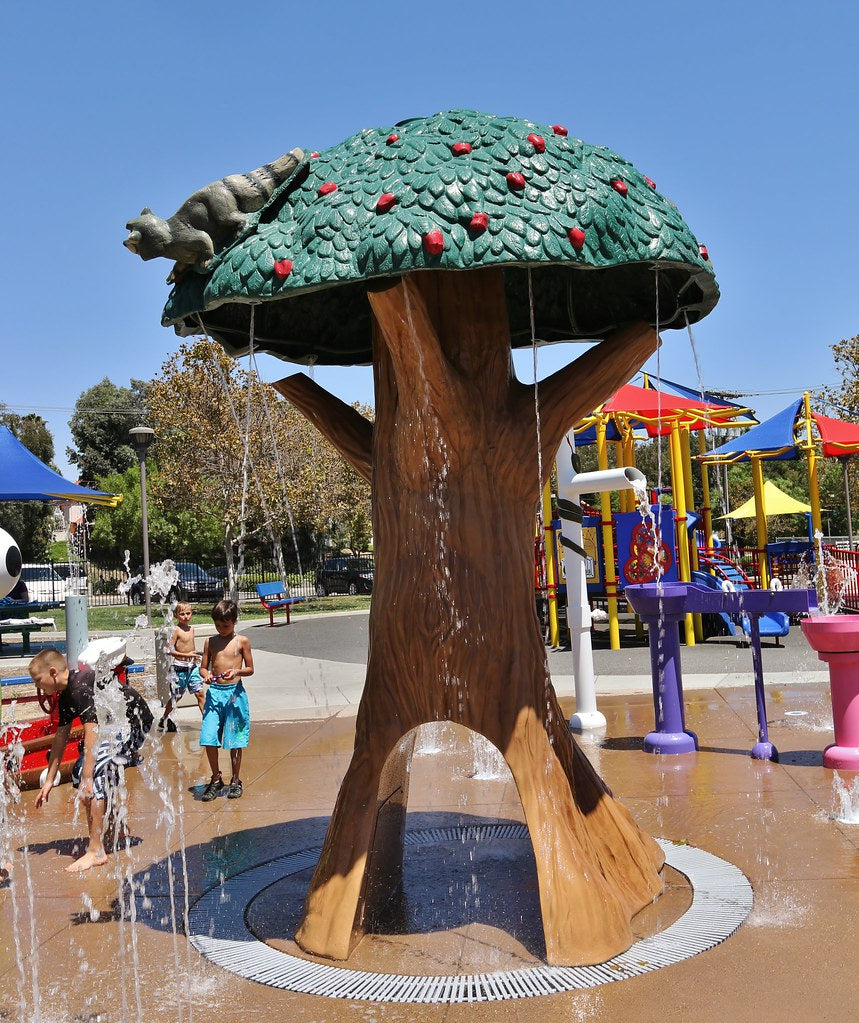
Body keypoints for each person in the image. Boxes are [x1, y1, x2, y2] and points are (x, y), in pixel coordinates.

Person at [29, 647, 153, 872]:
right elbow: (60, 737)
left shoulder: (78, 687)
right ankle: (118, 826)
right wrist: (49, 780)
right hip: (116, 725)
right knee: (87, 771)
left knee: (93, 776)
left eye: (38, 681)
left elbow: (92, 732)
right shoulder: (67, 693)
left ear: (53, 672)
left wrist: (88, 777)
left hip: (133, 725)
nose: (37, 686)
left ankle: (96, 851)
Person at [199, 599, 254, 801]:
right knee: (208, 737)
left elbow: (250, 669)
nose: (221, 629)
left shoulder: (242, 642)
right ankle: (216, 779)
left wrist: (237, 671)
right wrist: (204, 674)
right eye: (218, 625)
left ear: (234, 622)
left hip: (234, 695)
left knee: (234, 740)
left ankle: (236, 780)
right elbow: (203, 667)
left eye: (226, 625)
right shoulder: (210, 642)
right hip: (214, 694)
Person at [158, 602, 205, 731]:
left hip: (193, 667)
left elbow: (191, 647)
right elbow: (169, 650)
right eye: (182, 614)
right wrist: (185, 654)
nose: (185, 616)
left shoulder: (192, 629)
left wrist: (196, 655)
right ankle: (164, 718)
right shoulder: (176, 630)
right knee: (176, 697)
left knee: (200, 693)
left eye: (188, 613)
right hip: (179, 668)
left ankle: (207, 721)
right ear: (176, 615)